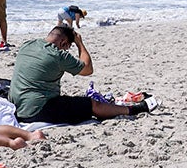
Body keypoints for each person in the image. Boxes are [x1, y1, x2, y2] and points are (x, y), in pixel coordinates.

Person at [9, 25, 160, 124]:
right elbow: (87, 69)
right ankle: (135, 109)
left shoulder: (27, 45)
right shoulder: (58, 55)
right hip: (36, 111)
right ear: (63, 43)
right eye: (68, 47)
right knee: (91, 104)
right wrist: (79, 43)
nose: (67, 50)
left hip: (16, 107)